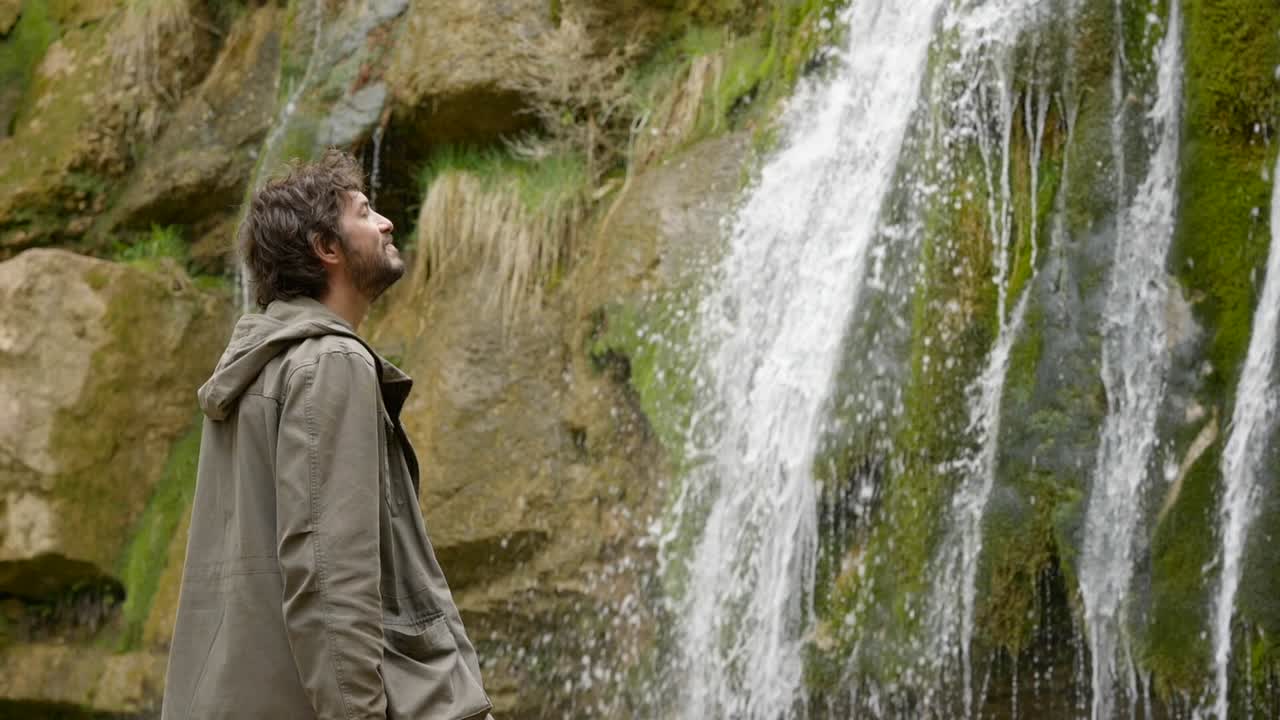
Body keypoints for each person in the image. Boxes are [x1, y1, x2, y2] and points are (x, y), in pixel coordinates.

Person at [161, 150, 493, 720]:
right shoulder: (331, 361)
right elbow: (330, 573)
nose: (387, 223)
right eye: (365, 213)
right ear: (327, 248)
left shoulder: (258, 369)